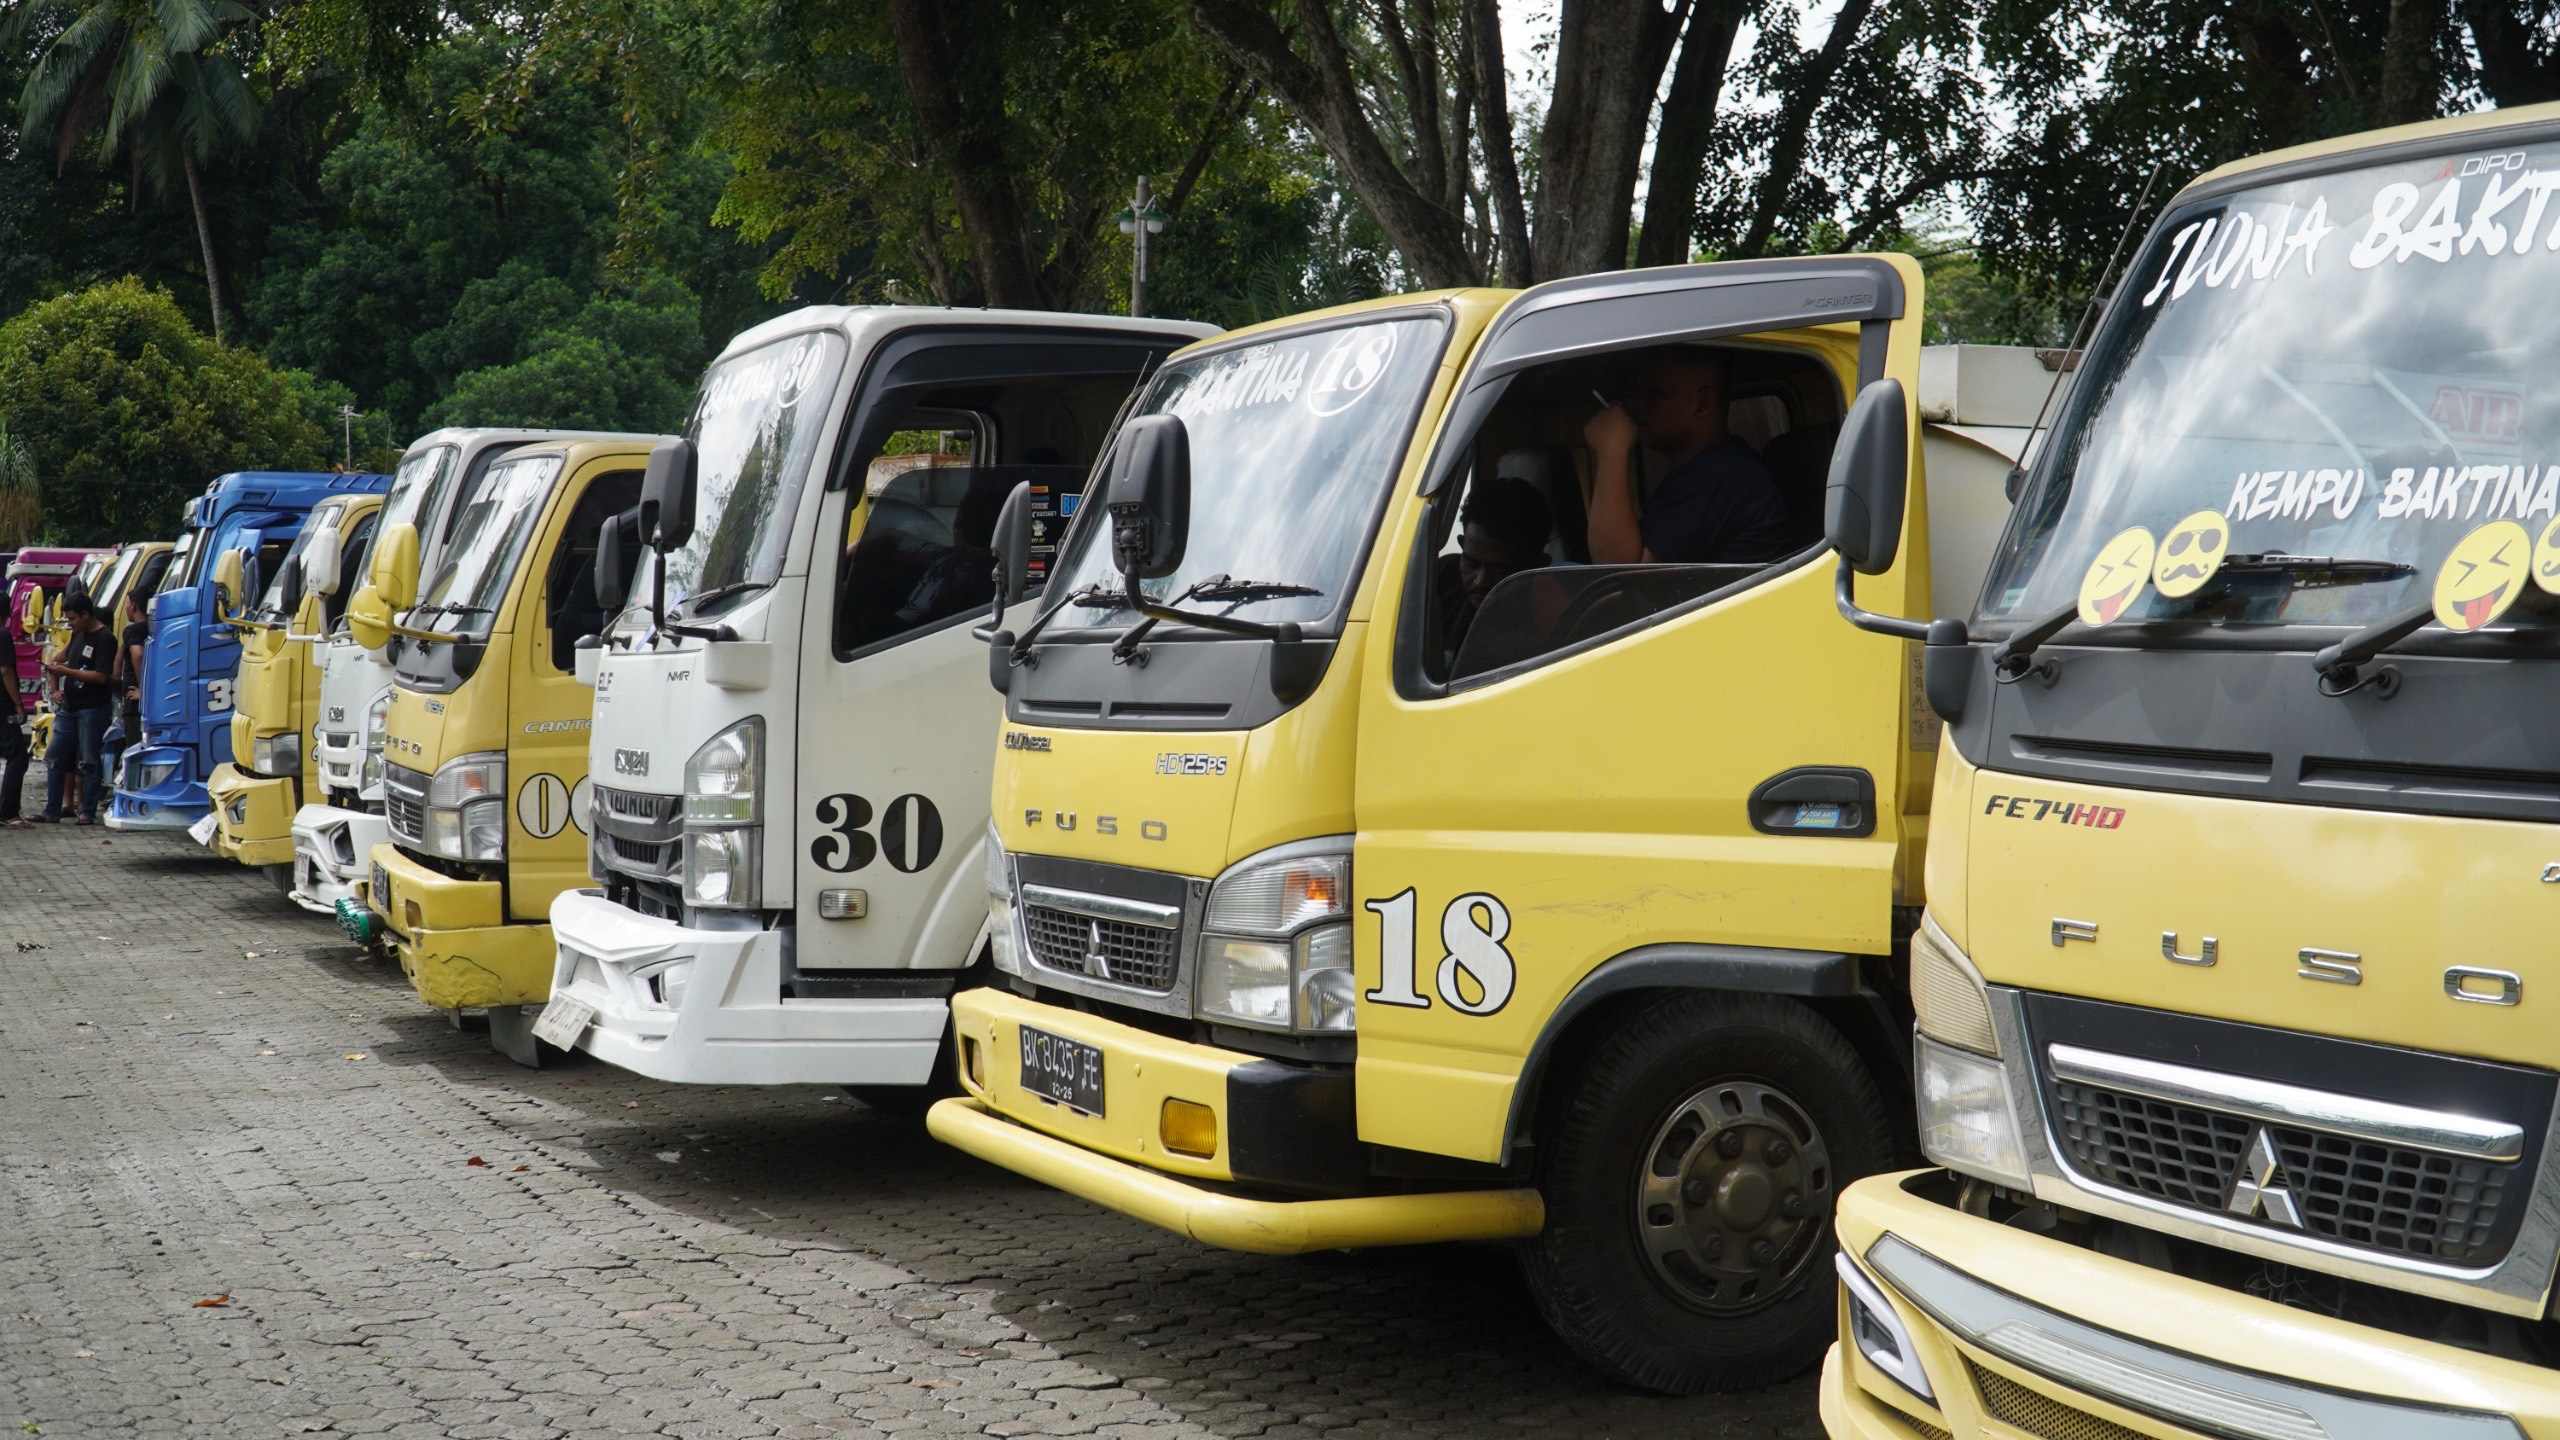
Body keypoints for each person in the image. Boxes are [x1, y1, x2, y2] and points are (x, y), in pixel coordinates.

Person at [1582, 347, 1791, 566]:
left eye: (1654, 393)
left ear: (1702, 403)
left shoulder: (1713, 478)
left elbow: (1620, 568)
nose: (1638, 404)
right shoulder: (1719, 467)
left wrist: (1612, 450)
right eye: (1639, 392)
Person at [1436, 475, 1553, 664]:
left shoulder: (1546, 624)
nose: (1480, 581)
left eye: (1501, 570)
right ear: (1462, 544)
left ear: (1537, 567)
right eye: (1471, 563)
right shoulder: (1442, 578)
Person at [36, 592, 114, 823]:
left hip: (92, 708)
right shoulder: (78, 634)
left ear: (85, 614)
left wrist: (66, 672)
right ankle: (51, 810)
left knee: (89, 761)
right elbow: (64, 662)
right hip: (69, 708)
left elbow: (101, 676)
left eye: (72, 619)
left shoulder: (105, 638)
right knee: (54, 757)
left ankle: (86, 811)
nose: (70, 624)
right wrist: (56, 683)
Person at [118, 590, 150, 758]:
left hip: (135, 703)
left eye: (127, 604)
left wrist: (143, 692)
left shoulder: (133, 631)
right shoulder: (154, 629)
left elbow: (138, 654)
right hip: (151, 702)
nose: (126, 608)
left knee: (136, 752)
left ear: (134, 606)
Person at [0, 624, 27, 827]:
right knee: (17, 756)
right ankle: (9, 813)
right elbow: (6, 670)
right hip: (3, 706)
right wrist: (18, 703)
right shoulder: (3, 635)